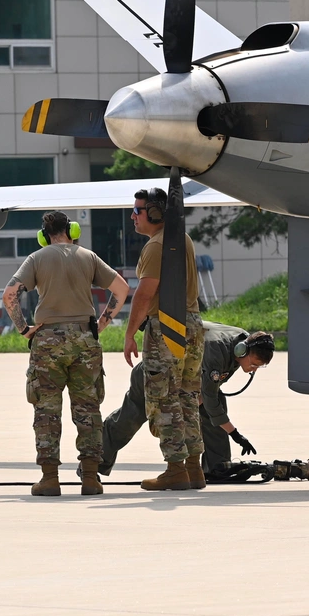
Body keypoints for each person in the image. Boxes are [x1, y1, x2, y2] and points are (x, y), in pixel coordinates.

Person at [2, 211, 128, 497]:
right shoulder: (88, 256)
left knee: (46, 409)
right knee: (88, 409)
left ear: (44, 236)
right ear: (71, 231)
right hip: (85, 339)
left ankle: (49, 479)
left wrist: (24, 329)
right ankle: (91, 479)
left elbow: (9, 295)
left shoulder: (37, 258)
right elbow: (121, 289)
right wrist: (102, 324)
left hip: (47, 340)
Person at [99, 322, 274, 478]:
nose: (254, 370)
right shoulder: (217, 351)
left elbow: (206, 395)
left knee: (212, 410)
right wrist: (236, 435)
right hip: (156, 375)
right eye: (254, 364)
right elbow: (209, 399)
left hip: (183, 380)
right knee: (129, 419)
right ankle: (94, 462)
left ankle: (217, 467)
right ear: (241, 351)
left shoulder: (242, 342)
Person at [123, 188, 206, 491]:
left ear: (156, 213)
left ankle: (175, 469)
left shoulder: (156, 246)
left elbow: (145, 294)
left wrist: (130, 334)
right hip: (193, 323)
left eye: (139, 210)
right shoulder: (181, 238)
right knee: (187, 396)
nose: (133, 216)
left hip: (167, 326)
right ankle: (194, 468)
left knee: (163, 398)